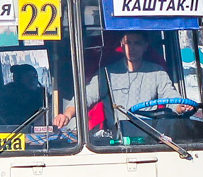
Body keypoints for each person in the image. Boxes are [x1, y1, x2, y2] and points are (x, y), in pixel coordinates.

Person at [54, 30, 187, 129]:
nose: (132, 48)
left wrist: (179, 107)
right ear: (122, 45)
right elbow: (86, 97)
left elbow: (170, 96)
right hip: (118, 136)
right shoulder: (107, 73)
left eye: (137, 43)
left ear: (145, 46)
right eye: (128, 43)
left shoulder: (157, 72)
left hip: (150, 134)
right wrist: (66, 115)